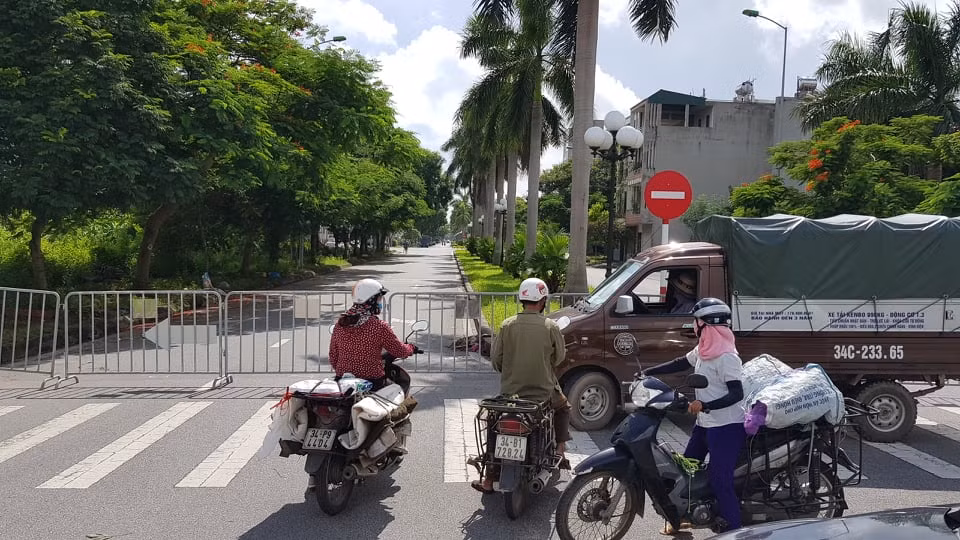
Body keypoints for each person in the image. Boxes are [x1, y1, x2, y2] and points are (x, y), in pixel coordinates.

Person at [641, 297, 746, 534]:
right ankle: (686, 518)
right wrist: (650, 371)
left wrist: (706, 405)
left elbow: (737, 394)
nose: (694, 326)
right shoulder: (705, 349)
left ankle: (735, 531)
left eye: (696, 322)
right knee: (687, 471)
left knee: (721, 481)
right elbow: (681, 363)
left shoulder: (727, 357)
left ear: (707, 324)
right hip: (706, 424)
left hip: (727, 427)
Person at [471, 277, 571, 494]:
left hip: (510, 395)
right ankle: (561, 451)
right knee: (563, 408)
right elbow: (560, 358)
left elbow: (496, 360)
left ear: (521, 300)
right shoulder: (550, 326)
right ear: (543, 300)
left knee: (493, 425)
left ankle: (488, 479)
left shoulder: (507, 325)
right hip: (543, 394)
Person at [328, 278, 419, 392]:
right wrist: (411, 348)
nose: (381, 302)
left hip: (342, 381)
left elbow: (333, 355)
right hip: (373, 381)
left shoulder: (341, 324)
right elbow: (399, 351)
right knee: (398, 389)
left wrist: (344, 371)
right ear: (371, 300)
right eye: (379, 299)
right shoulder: (379, 326)